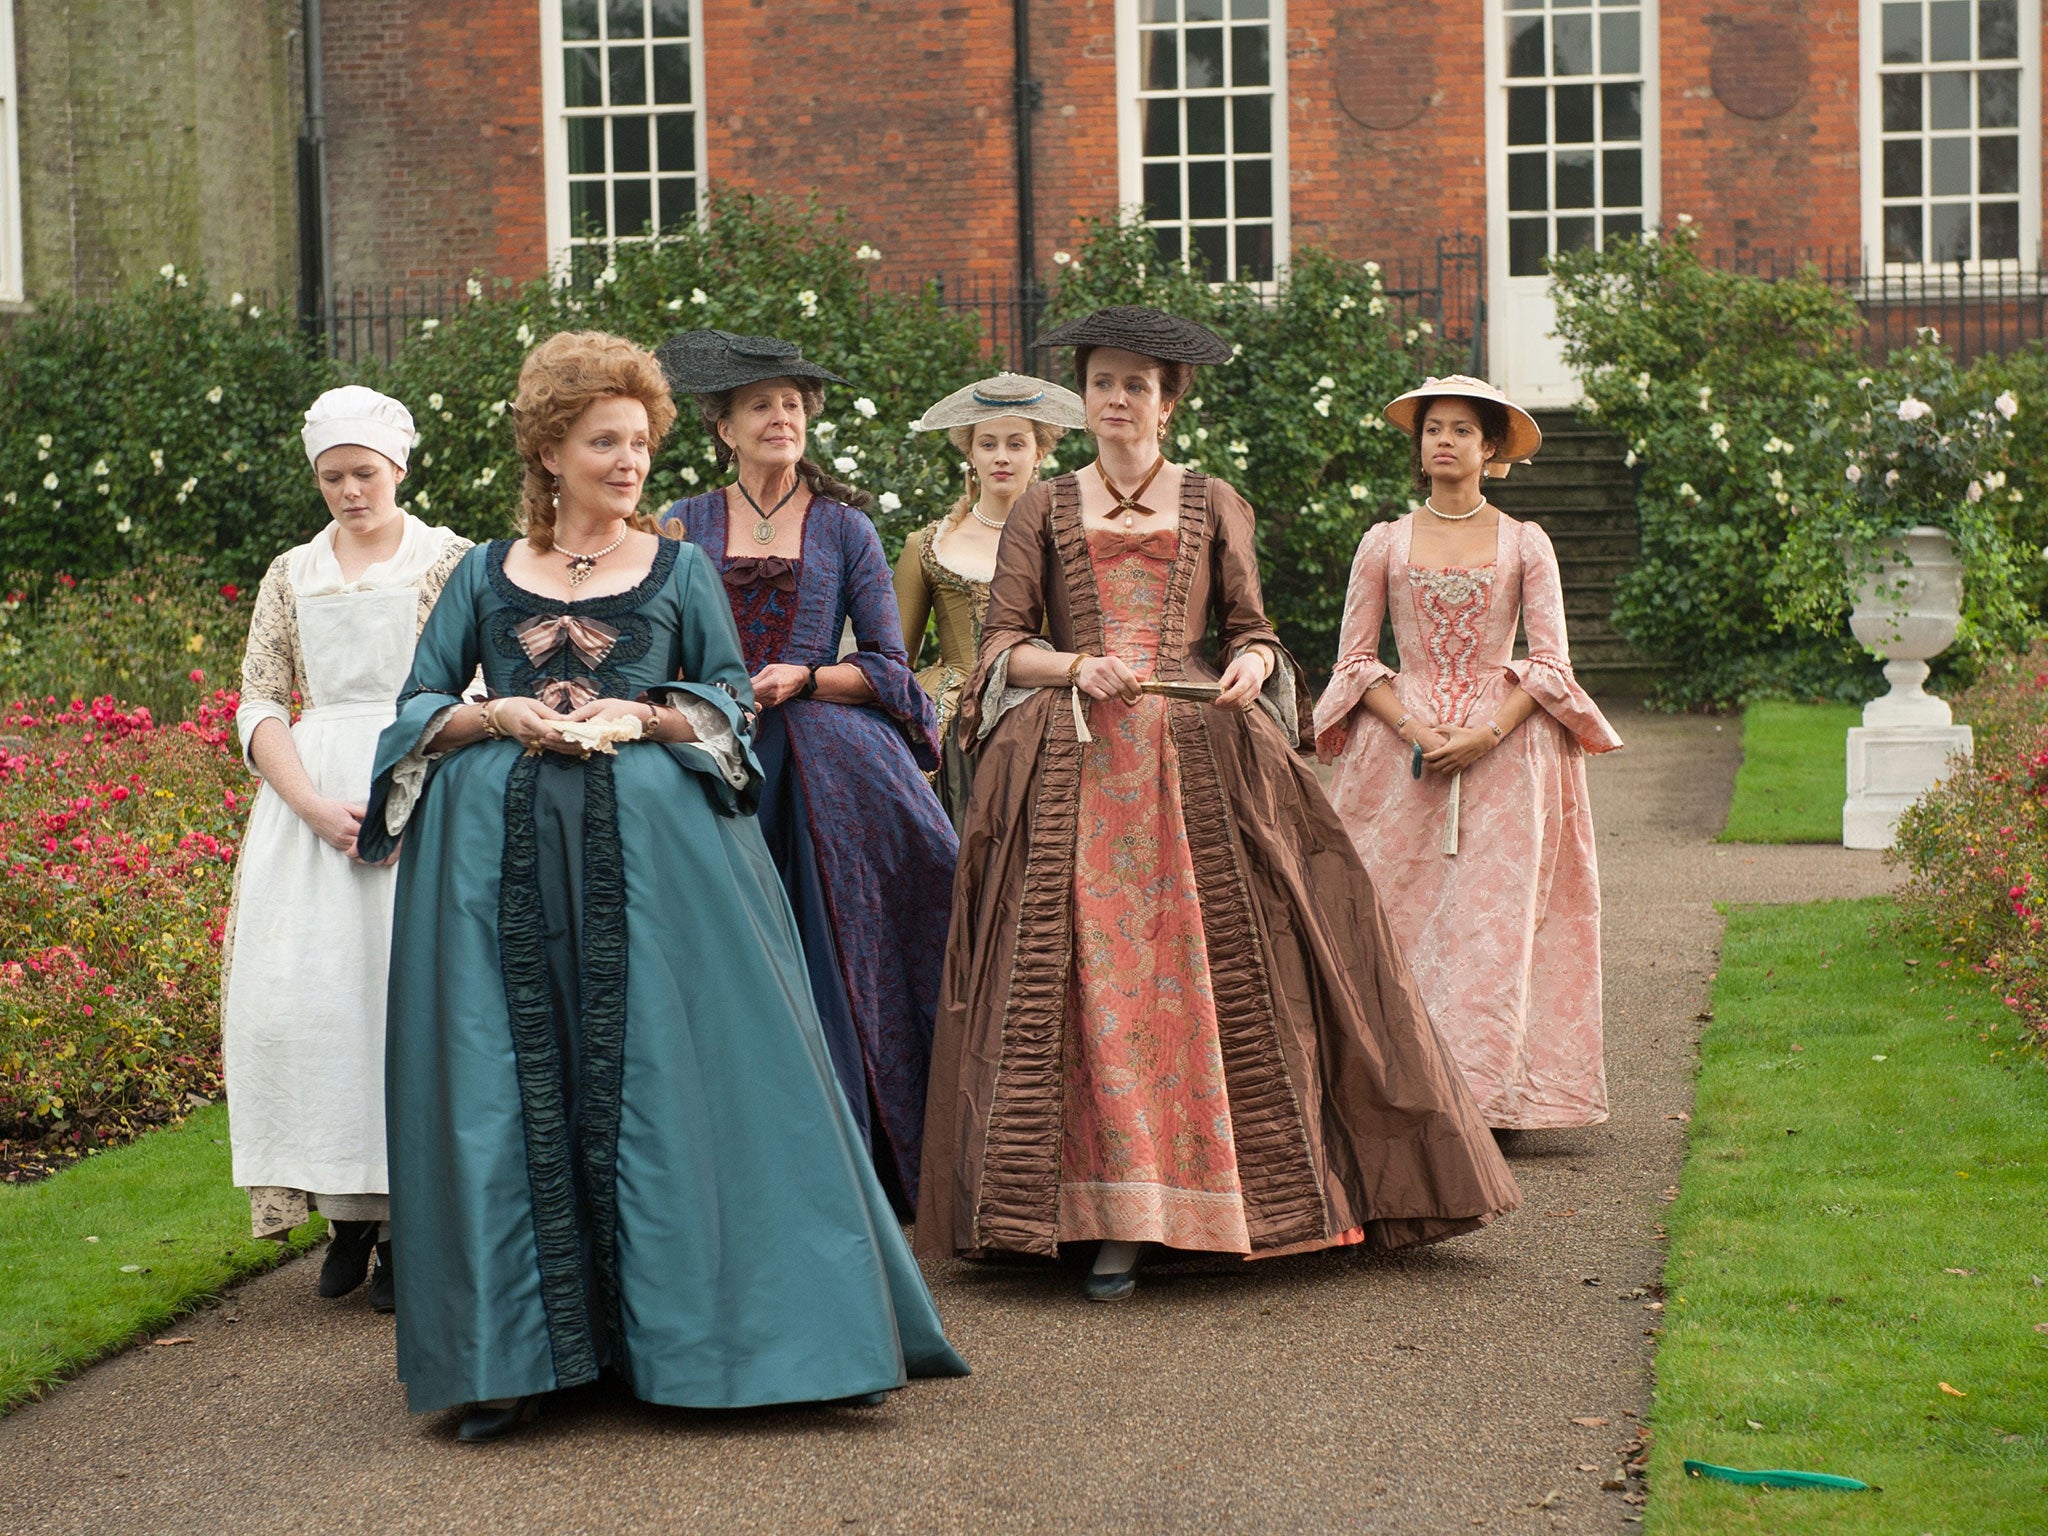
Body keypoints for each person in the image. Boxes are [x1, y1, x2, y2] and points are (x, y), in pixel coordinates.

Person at [357, 331, 966, 1442]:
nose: (629, 460)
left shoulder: (679, 568)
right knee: (522, 1089)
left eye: (640, 440)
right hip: (506, 875)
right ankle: (526, 1351)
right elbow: (417, 705)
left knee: (683, 1085)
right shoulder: (482, 574)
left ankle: (711, 1342)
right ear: (549, 452)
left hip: (666, 871)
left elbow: (729, 699)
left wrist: (642, 711)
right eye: (604, 441)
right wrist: (502, 714)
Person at [916, 306, 1521, 1301]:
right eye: (1103, 382)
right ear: (1086, 393)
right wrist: (1076, 665)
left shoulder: (1212, 502)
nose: (1117, 400)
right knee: (1090, 990)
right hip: (1073, 774)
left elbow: (1253, 630)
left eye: (1136, 386)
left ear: (1167, 400)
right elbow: (1000, 647)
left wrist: (1246, 664)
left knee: (1206, 982)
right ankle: (1097, 1211)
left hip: (1198, 765)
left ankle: (1216, 1201)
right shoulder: (1043, 508)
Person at [657, 329, 956, 1215]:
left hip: (827, 762)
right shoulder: (681, 524)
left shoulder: (845, 527)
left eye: (793, 403)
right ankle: (736, 1165)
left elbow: (895, 672)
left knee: (844, 944)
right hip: (714, 755)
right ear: (724, 426)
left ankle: (860, 1158)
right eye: (762, 405)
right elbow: (653, 648)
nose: (781, 417)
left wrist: (807, 675)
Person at [1314, 375, 1623, 1131]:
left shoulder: (1527, 542)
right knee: (1396, 911)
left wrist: (1487, 732)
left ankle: (1490, 1098)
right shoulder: (1383, 542)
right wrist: (1415, 729)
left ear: (1490, 451)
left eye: (1460, 431)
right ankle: (1399, 1087)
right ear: (1419, 449)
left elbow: (1551, 662)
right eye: (1432, 430)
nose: (1443, 441)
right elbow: (1353, 660)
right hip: (1401, 749)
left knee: (1494, 922)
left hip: (1508, 752)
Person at [223, 385, 470, 1313]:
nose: (349, 491)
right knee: (312, 1008)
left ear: (398, 469)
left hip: (417, 789)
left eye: (363, 473)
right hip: (312, 808)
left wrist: (399, 790)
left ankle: (411, 1226)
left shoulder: (449, 561)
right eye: (332, 477)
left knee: (400, 1002)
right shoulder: (291, 573)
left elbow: (471, 687)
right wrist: (312, 804)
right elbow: (259, 698)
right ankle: (346, 1220)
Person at [896, 373, 1085, 828]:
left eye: (1016, 444)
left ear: (1039, 454)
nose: (1001, 457)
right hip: (949, 719)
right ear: (970, 454)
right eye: (988, 444)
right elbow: (895, 656)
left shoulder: (1066, 542)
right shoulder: (926, 545)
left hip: (1039, 708)